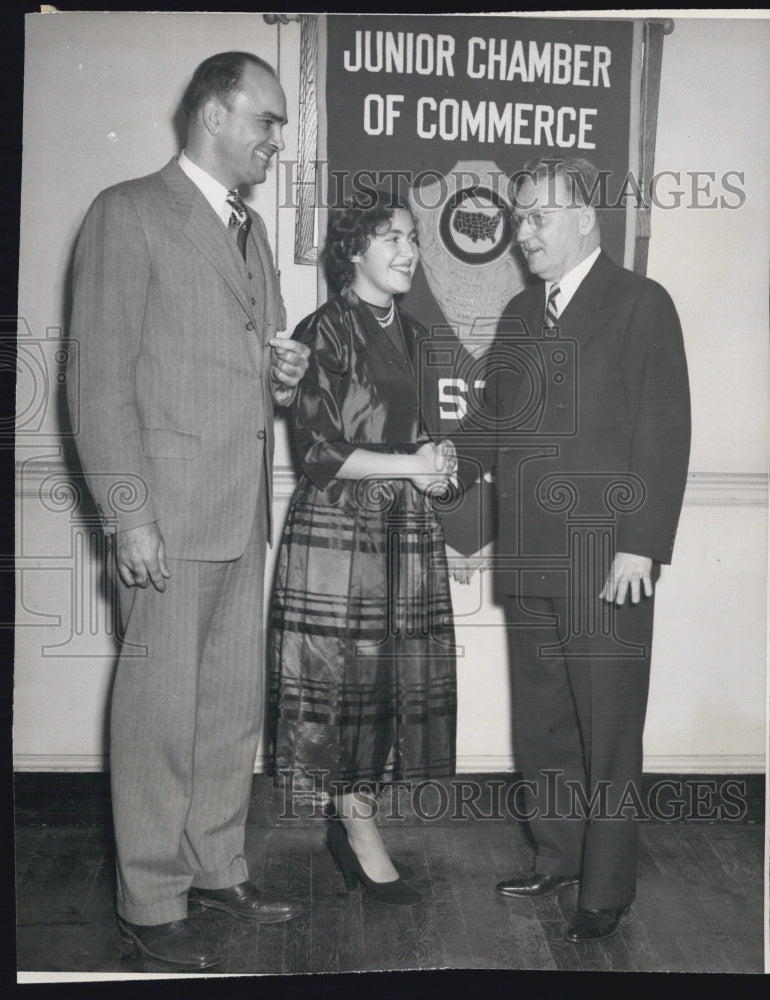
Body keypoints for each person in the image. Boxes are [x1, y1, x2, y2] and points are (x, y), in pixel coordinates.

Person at [68, 51, 311, 970]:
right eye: (268, 120)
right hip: (165, 518)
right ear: (216, 114)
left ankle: (217, 866)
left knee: (226, 712)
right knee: (159, 714)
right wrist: (128, 513)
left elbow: (257, 363)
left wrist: (280, 375)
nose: (276, 141)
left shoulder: (248, 230)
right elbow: (96, 385)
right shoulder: (127, 214)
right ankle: (151, 897)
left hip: (240, 512)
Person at [448, 157, 690, 942]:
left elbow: (664, 432)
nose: (523, 234)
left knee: (609, 728)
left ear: (586, 217)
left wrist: (640, 548)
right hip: (530, 555)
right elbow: (489, 423)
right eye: (518, 219)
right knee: (545, 723)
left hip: (606, 559)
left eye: (538, 217)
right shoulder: (520, 315)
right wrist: (433, 464)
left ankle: (606, 885)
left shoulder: (641, 304)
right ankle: (557, 855)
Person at [268, 192, 458, 905]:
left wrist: (436, 465)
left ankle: (354, 819)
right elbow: (318, 451)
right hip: (339, 531)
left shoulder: (409, 331)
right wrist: (412, 465)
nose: (409, 251)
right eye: (392, 239)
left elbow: (410, 436)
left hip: (398, 529)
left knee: (383, 686)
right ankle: (357, 831)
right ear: (354, 252)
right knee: (342, 686)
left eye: (412, 239)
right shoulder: (323, 328)